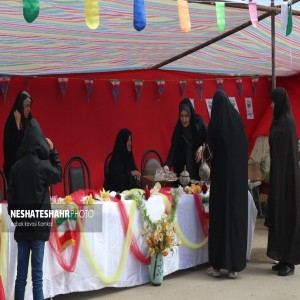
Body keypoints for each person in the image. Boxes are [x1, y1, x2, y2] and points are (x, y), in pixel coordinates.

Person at [7, 119, 62, 299]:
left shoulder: (15, 168)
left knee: (21, 275)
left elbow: (11, 201)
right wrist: (53, 152)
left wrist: (19, 220)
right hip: (38, 228)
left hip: (23, 228)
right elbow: (58, 174)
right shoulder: (43, 166)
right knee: (37, 276)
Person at [206, 90, 248, 279]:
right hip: (237, 186)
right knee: (234, 222)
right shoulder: (237, 122)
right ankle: (234, 267)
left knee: (220, 222)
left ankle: (217, 265)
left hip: (222, 185)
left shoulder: (217, 124)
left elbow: (209, 151)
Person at [265, 87, 300, 276]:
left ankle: (290, 262)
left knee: (286, 216)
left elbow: (286, 154)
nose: (271, 106)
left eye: (273, 102)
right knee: (279, 216)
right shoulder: (279, 120)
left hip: (287, 179)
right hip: (279, 176)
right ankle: (281, 257)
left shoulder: (287, 122)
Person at [163, 98, 207, 180]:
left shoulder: (199, 124)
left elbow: (209, 140)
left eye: (186, 116)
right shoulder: (178, 129)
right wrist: (167, 165)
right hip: (182, 173)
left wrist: (202, 147)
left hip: (197, 170)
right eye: (181, 116)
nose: (184, 120)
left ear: (190, 114)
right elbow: (174, 149)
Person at [3, 90, 33, 181]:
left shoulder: (28, 121)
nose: (29, 109)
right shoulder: (11, 123)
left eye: (30, 106)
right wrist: (17, 126)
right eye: (26, 106)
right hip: (14, 172)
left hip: (27, 170)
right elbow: (15, 148)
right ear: (20, 106)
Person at [104, 128, 141, 192]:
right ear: (122, 142)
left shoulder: (129, 156)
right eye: (128, 141)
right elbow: (117, 180)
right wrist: (131, 173)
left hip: (130, 193)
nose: (130, 143)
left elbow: (134, 170)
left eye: (130, 140)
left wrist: (137, 176)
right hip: (116, 194)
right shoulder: (116, 159)